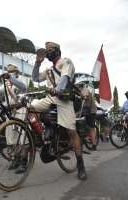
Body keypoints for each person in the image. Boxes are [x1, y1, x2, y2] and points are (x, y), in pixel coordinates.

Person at [31, 42, 87, 180]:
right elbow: (35, 78)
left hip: (64, 100)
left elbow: (65, 78)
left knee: (71, 131)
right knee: (30, 107)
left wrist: (58, 89)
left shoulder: (66, 62)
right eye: (47, 50)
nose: (48, 52)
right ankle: (44, 139)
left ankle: (81, 165)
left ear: (58, 51)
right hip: (50, 98)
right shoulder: (49, 70)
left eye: (51, 50)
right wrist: (37, 63)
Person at [77, 83, 97, 151]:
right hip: (84, 111)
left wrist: (79, 94)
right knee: (82, 125)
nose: (77, 88)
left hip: (91, 111)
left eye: (77, 87)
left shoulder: (85, 90)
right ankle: (85, 138)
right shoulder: (80, 91)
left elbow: (85, 97)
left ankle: (94, 144)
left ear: (80, 87)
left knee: (91, 128)